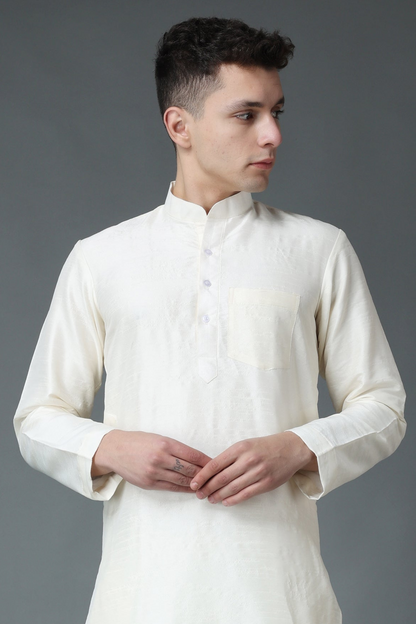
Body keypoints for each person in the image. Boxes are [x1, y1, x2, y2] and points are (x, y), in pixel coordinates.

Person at [14, 16, 406, 624]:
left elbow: (384, 407)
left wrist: (297, 446)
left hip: (281, 597)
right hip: (140, 597)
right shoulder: (101, 258)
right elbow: (37, 418)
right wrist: (110, 447)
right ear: (180, 126)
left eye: (277, 112)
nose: (273, 135)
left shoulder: (318, 249)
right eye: (246, 115)